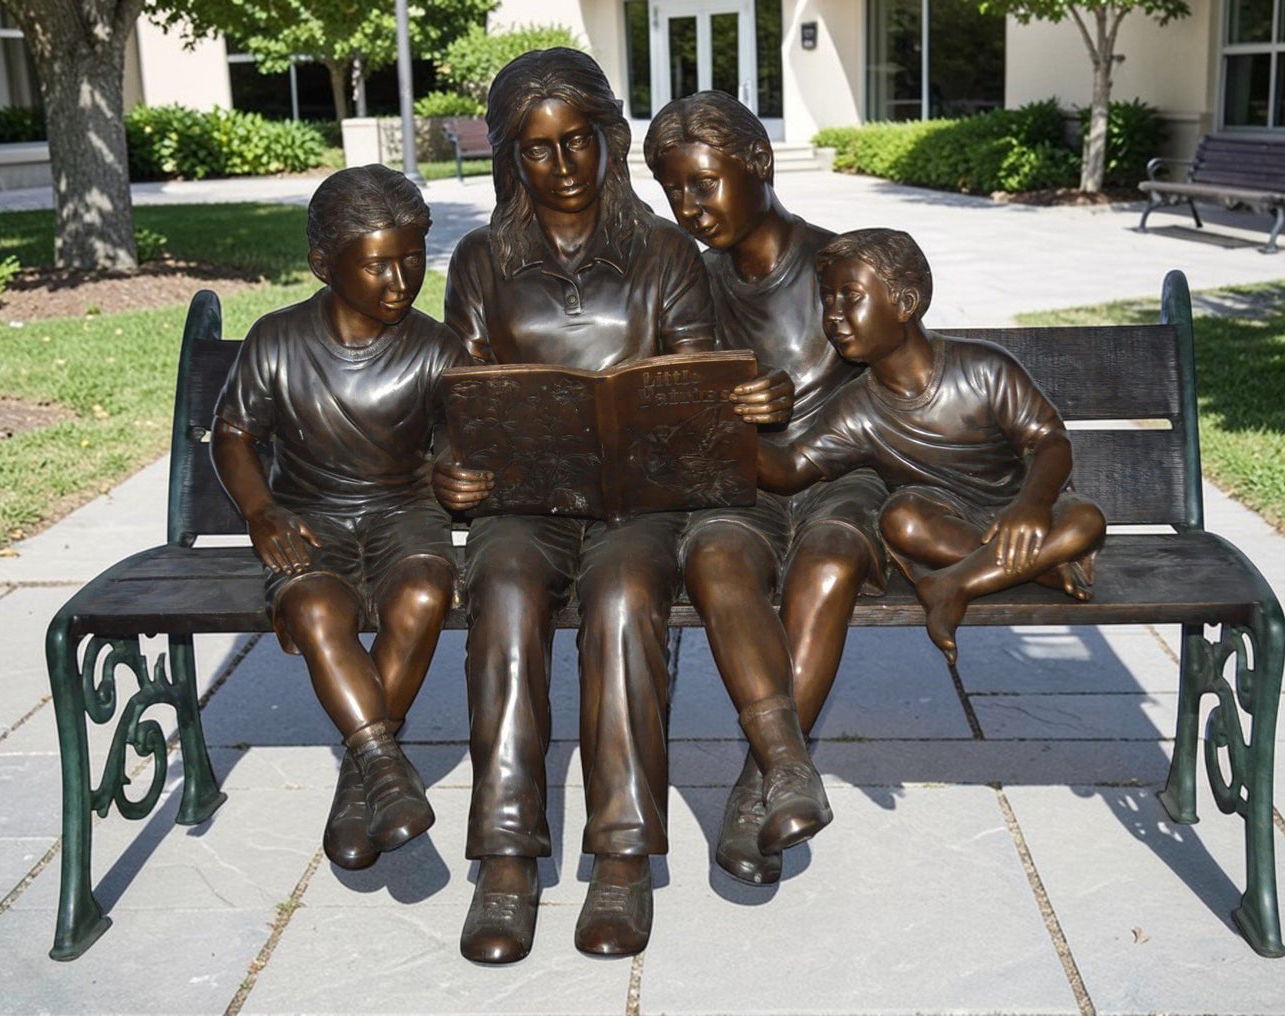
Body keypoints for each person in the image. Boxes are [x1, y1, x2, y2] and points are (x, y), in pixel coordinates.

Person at [435, 49, 779, 963]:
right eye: (536, 150)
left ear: (605, 137)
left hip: (640, 504)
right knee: (502, 588)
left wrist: (709, 413)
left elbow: (698, 384)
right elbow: (457, 398)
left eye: (576, 141)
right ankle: (505, 859)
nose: (560, 165)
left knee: (626, 600)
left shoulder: (664, 253)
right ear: (512, 158)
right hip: (525, 497)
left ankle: (622, 858)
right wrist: (452, 472)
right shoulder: (479, 261)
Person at [644, 92, 889, 886]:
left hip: (842, 481)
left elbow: (905, 381)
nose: (689, 207)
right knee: (713, 557)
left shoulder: (840, 267)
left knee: (827, 562)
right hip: (740, 489)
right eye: (672, 189)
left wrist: (800, 404)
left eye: (704, 183)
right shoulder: (690, 284)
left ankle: (758, 783)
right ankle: (787, 763)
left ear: (760, 165)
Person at [212, 164, 467, 872]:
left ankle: (363, 780)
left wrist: (458, 474)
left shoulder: (435, 349)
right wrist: (260, 509)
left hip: (404, 517)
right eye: (378, 264)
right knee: (317, 605)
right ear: (324, 265)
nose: (400, 280)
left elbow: (455, 446)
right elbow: (233, 435)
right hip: (310, 521)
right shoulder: (277, 339)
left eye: (412, 258)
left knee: (420, 594)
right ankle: (384, 765)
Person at [756, 228, 1106, 663]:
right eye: (828, 300)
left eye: (851, 296)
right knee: (901, 519)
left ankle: (954, 583)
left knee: (1085, 519)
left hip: (1022, 508)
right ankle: (1048, 569)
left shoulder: (983, 368)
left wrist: (1032, 505)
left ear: (905, 304)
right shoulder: (855, 408)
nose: (834, 315)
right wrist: (723, 428)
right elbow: (790, 469)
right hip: (947, 523)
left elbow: (1050, 441)